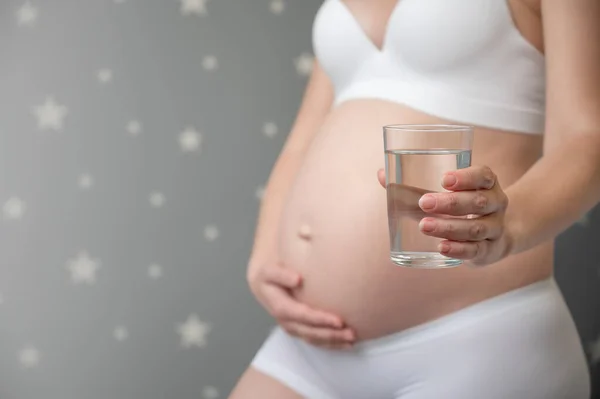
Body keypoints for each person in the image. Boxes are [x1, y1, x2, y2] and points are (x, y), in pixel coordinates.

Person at [230, 0, 599, 397]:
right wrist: (265, 253)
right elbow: (301, 142)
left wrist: (509, 225)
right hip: (308, 348)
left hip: (474, 343)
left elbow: (587, 138)